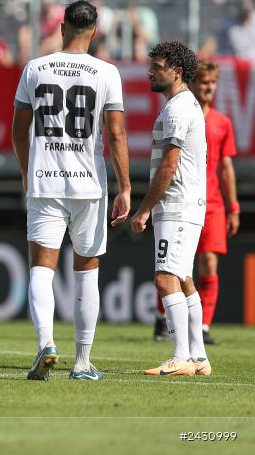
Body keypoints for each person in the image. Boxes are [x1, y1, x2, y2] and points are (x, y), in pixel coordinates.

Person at [11, 0, 131, 381]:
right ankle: (82, 362)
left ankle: (46, 342)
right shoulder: (107, 72)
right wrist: (125, 186)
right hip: (89, 184)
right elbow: (115, 133)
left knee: (41, 268)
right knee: (87, 271)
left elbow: (18, 130)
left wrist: (28, 172)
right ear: (94, 31)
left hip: (46, 179)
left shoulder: (35, 67)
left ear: (62, 27)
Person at [130, 42, 210, 377]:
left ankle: (180, 356)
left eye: (158, 66)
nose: (151, 70)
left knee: (165, 279)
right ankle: (199, 356)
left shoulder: (177, 109)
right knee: (184, 278)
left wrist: (144, 209)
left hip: (177, 205)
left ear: (176, 71)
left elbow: (169, 166)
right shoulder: (186, 105)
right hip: (188, 203)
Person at [153, 62, 237, 345]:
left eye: (213, 83)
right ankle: (175, 330)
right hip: (190, 199)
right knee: (177, 268)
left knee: (191, 267)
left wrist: (233, 206)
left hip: (203, 201)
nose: (208, 87)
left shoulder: (218, 122)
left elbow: (225, 167)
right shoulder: (186, 111)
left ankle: (198, 332)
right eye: (204, 82)